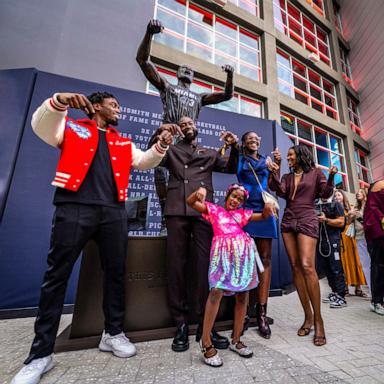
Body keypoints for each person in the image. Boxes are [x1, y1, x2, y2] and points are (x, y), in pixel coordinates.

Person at [11, 92, 178, 384]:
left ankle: (112, 333)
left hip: (114, 212)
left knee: (115, 274)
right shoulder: (73, 127)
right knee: (57, 276)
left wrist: (161, 145)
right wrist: (59, 100)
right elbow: (42, 126)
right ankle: (40, 355)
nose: (118, 109)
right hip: (74, 206)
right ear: (97, 106)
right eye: (114, 105)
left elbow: (144, 161)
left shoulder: (121, 142)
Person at [136, 19, 234, 234]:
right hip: (168, 137)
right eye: (183, 68)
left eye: (190, 69)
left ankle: (194, 214)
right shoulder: (168, 88)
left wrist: (230, 75)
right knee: (160, 173)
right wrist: (149, 33)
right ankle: (165, 218)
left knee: (191, 178)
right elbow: (143, 61)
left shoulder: (199, 97)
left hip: (188, 141)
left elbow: (227, 94)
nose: (187, 70)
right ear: (178, 74)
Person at [152, 116, 238, 352]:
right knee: (175, 266)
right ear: (179, 130)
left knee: (204, 267)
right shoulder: (171, 149)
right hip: (177, 209)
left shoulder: (209, 152)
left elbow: (230, 167)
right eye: (184, 124)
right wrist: (160, 132)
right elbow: (153, 155)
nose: (188, 126)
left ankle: (205, 324)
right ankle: (180, 324)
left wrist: (234, 146)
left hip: (202, 212)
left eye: (191, 123)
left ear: (196, 128)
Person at [186, 184, 275, 366]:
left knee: (243, 296)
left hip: (242, 258)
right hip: (222, 257)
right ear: (227, 195)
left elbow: (264, 216)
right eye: (233, 196)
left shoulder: (243, 215)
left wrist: (267, 208)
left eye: (240, 199)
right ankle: (206, 342)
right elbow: (191, 202)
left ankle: (236, 339)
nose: (235, 201)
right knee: (216, 292)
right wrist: (198, 192)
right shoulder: (215, 210)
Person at [268, 145, 337, 347]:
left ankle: (319, 320)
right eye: (287, 156)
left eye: (291, 155)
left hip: (307, 217)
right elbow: (278, 190)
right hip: (289, 219)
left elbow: (324, 194)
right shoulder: (288, 178)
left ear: (300, 156)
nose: (288, 157)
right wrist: (275, 169)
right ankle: (307, 316)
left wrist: (331, 176)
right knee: (296, 267)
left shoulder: (316, 173)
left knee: (307, 266)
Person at [233, 131, 281, 338]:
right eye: (249, 138)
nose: (253, 140)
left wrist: (275, 169)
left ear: (259, 141)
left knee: (265, 259)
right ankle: (243, 314)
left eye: (256, 138)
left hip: (265, 210)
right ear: (244, 143)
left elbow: (271, 185)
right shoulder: (240, 159)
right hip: (245, 211)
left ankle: (261, 313)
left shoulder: (266, 160)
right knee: (245, 261)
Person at [315, 195, 347, 308]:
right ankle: (334, 292)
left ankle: (342, 296)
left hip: (333, 239)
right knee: (326, 268)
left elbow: (341, 222)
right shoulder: (316, 205)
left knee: (336, 268)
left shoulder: (336, 204)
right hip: (321, 240)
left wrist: (326, 220)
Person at [334, 190, 367, 297]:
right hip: (341, 237)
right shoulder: (334, 209)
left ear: (343, 196)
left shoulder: (350, 207)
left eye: (338, 195)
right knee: (344, 262)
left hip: (352, 237)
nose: (337, 197)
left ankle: (358, 289)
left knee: (356, 261)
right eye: (335, 196)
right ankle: (345, 288)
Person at [363, 179, 384, 315]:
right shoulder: (380, 185)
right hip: (377, 232)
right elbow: (373, 208)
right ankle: (376, 301)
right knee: (379, 265)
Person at [348, 188, 371, 295]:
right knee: (366, 265)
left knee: (375, 264)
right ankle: (373, 292)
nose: (358, 193)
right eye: (357, 192)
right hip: (359, 238)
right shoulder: (355, 207)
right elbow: (349, 222)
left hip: (371, 238)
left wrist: (359, 216)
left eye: (361, 192)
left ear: (365, 194)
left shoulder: (370, 205)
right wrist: (350, 215)